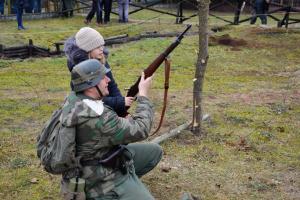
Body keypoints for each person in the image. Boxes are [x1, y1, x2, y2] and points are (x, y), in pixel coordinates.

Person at [60, 59, 162, 199]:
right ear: (90, 86)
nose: (108, 79)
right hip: (97, 181)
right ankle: (109, 194)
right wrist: (143, 94)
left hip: (88, 165)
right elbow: (141, 129)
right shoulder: (98, 119)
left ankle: (129, 184)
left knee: (154, 151)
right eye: (102, 77)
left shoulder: (73, 99)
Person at [64, 27, 135, 117]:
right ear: (88, 49)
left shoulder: (101, 59)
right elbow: (87, 99)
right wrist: (119, 102)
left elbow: (112, 86)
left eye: (102, 45)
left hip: (107, 111)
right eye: (97, 47)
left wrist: (122, 110)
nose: (101, 49)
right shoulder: (79, 70)